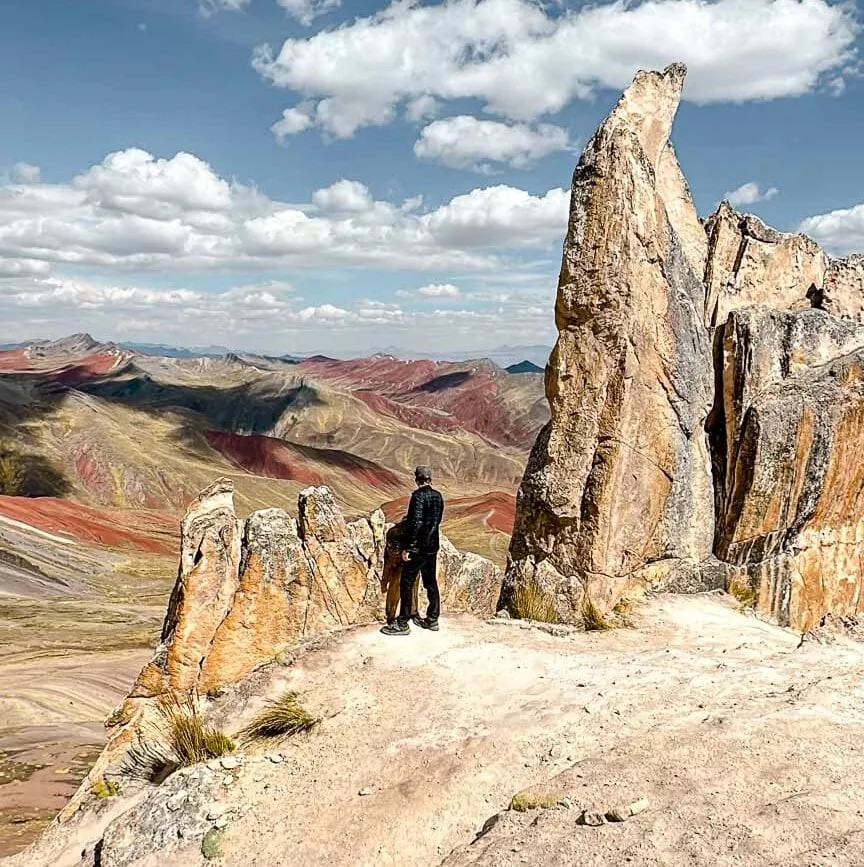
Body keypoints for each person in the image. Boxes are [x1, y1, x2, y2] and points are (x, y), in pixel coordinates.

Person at [380, 465, 444, 636]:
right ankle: (432, 619)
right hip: (432, 547)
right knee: (430, 582)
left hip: (418, 549)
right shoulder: (438, 496)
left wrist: (409, 548)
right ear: (430, 479)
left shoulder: (417, 496)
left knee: (406, 583)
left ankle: (402, 622)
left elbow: (415, 524)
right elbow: (435, 521)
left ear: (417, 479)